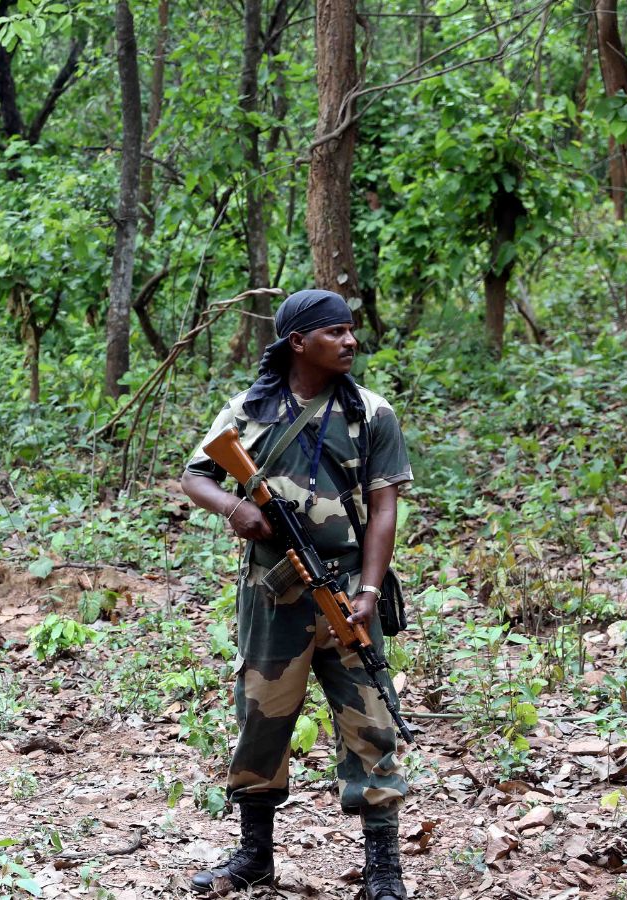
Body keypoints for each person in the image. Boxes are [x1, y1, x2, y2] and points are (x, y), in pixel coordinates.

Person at [180, 289, 413, 900]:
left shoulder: (371, 412)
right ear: (298, 342)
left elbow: (385, 508)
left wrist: (369, 589)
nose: (350, 341)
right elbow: (195, 476)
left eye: (351, 330)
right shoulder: (249, 409)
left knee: (371, 719)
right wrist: (235, 508)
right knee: (261, 717)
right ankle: (255, 855)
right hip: (273, 592)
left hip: (347, 590)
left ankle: (383, 872)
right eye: (335, 332)